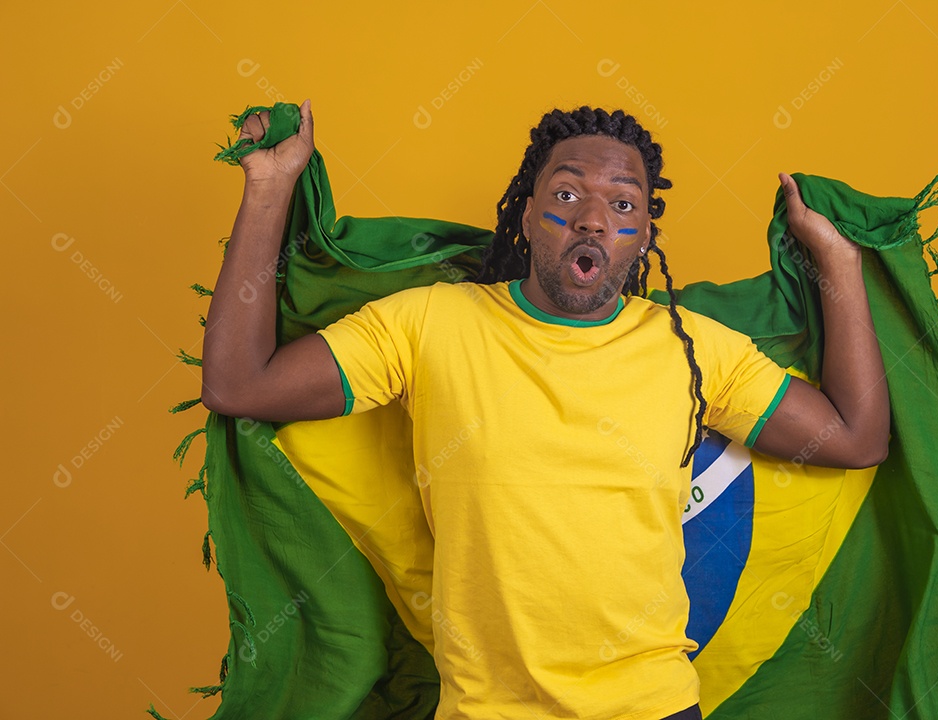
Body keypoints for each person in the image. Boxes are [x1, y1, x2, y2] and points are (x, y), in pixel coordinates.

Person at [201, 99, 889, 720]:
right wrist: (269, 186)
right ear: (529, 214)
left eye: (624, 204)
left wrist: (839, 262)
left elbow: (856, 437)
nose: (593, 218)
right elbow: (241, 386)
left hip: (653, 708)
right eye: (567, 194)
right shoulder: (429, 324)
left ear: (645, 233)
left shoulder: (694, 348)